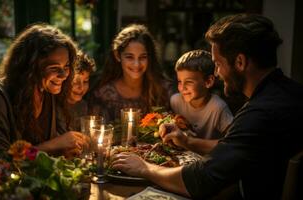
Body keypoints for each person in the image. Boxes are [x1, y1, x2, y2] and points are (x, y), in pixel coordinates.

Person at [112, 14, 303, 199]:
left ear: (240, 62)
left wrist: (144, 168)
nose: (217, 73)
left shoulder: (260, 114)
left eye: (218, 64)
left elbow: (200, 181)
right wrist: (187, 142)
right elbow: (232, 150)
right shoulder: (291, 94)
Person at [0, 23, 89, 159]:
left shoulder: (46, 91)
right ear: (30, 67)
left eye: (66, 66)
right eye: (54, 67)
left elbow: (40, 154)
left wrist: (61, 151)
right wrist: (53, 145)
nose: (63, 75)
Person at [89, 24, 174, 123]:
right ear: (117, 56)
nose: (136, 64)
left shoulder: (163, 90)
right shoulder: (104, 95)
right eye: (129, 57)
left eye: (142, 57)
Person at [169, 49, 233, 154]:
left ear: (208, 81)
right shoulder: (175, 101)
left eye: (189, 82)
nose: (182, 88)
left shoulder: (218, 107)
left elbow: (232, 143)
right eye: (180, 81)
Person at [57, 50, 96, 132]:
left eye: (85, 81)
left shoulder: (83, 106)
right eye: (75, 82)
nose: (81, 87)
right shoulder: (55, 107)